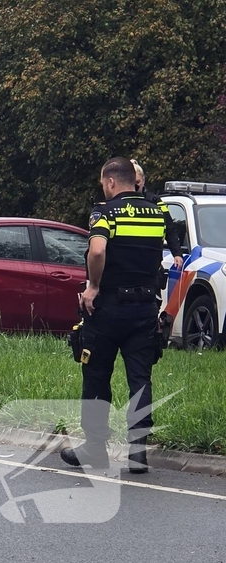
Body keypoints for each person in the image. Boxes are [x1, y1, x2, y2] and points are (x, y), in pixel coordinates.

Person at [61, 157, 166, 474]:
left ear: (110, 181)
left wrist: (93, 286)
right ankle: (138, 452)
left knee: (96, 375)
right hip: (145, 308)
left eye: (102, 183)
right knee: (140, 379)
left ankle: (95, 448)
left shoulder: (105, 212)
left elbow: (97, 250)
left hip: (107, 308)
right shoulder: (157, 212)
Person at [131, 159, 184, 271]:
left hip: (152, 262)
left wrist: (177, 253)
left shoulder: (155, 201)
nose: (135, 186)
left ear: (143, 180)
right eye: (132, 183)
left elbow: (170, 228)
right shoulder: (121, 202)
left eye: (137, 182)